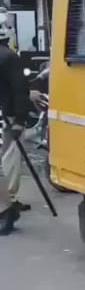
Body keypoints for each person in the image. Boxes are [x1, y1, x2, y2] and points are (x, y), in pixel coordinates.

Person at [0, 25, 31, 236]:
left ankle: (8, 206)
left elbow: (20, 90)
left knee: (8, 161)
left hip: (8, 117)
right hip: (8, 116)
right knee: (8, 161)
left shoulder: (7, 58)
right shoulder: (8, 57)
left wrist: (19, 120)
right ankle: (9, 203)